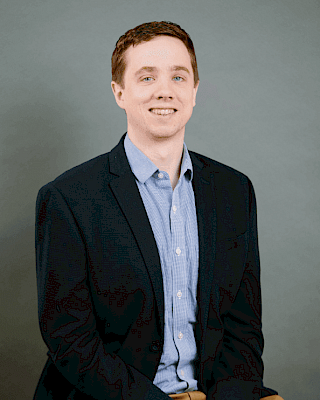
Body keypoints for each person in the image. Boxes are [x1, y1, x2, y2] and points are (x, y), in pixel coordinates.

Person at [34, 21, 284, 400]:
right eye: (147, 77)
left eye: (179, 77)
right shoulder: (68, 199)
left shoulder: (234, 191)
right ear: (119, 92)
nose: (165, 91)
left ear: (195, 90)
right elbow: (70, 340)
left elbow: (243, 326)